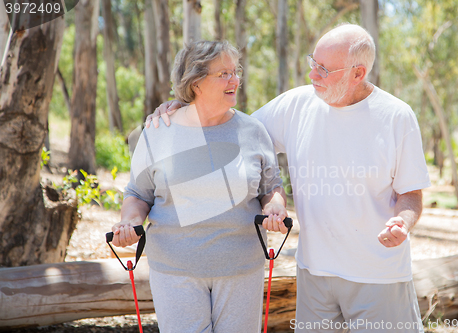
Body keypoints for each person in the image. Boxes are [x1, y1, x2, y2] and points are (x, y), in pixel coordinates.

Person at [148, 23, 431, 333]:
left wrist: (402, 222)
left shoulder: (396, 116)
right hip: (314, 275)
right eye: (313, 63)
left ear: (357, 74)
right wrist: (185, 107)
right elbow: (230, 129)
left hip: (378, 275)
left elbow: (411, 194)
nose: (312, 75)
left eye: (324, 69)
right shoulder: (295, 105)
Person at [111, 40, 288, 333]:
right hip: (175, 269)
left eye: (236, 71)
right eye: (224, 74)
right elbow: (138, 194)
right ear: (195, 83)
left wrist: (276, 207)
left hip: (242, 267)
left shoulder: (252, 131)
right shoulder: (158, 131)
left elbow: (272, 187)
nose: (235, 80)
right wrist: (129, 221)